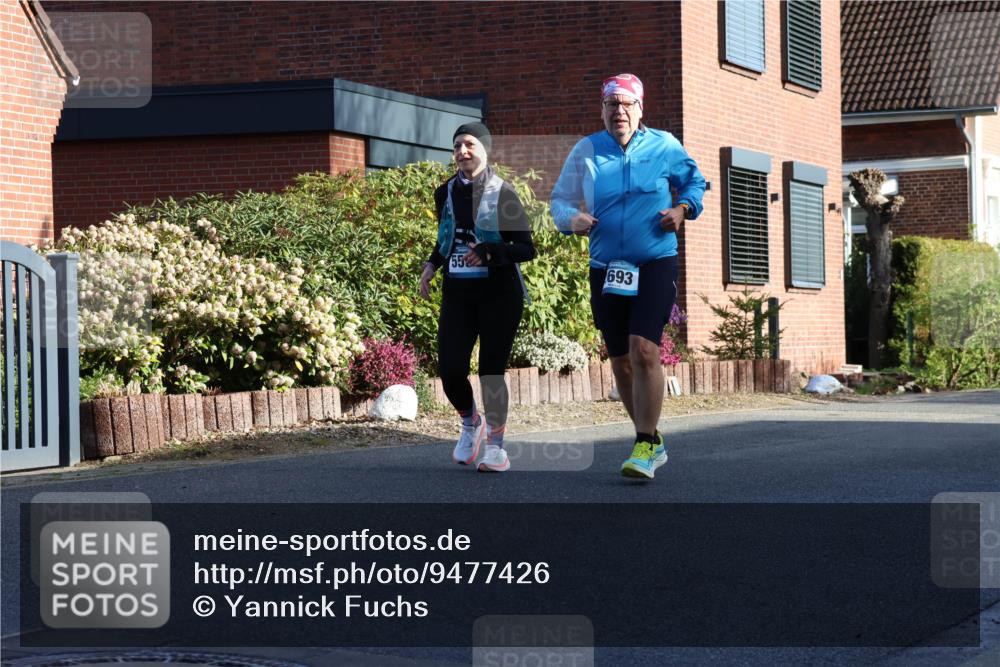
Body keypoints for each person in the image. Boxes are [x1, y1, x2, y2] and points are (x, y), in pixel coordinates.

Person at [550, 74, 705, 479]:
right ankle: (651, 441)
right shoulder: (586, 150)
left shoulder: (664, 145)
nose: (619, 112)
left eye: (626, 104)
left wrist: (682, 209)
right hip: (606, 268)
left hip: (654, 260)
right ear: (601, 110)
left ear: (640, 109)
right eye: (611, 105)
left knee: (644, 349)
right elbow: (559, 201)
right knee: (620, 361)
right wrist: (573, 219)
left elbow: (693, 182)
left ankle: (642, 443)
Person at [420, 122, 535, 473]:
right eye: (457, 146)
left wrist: (489, 251)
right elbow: (447, 236)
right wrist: (432, 264)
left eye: (469, 144)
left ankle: (497, 447)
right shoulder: (445, 192)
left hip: (499, 294)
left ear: (484, 150)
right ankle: (471, 422)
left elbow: (526, 249)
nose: (462, 151)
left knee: (490, 372)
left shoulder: (504, 192)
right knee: (450, 369)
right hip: (459, 292)